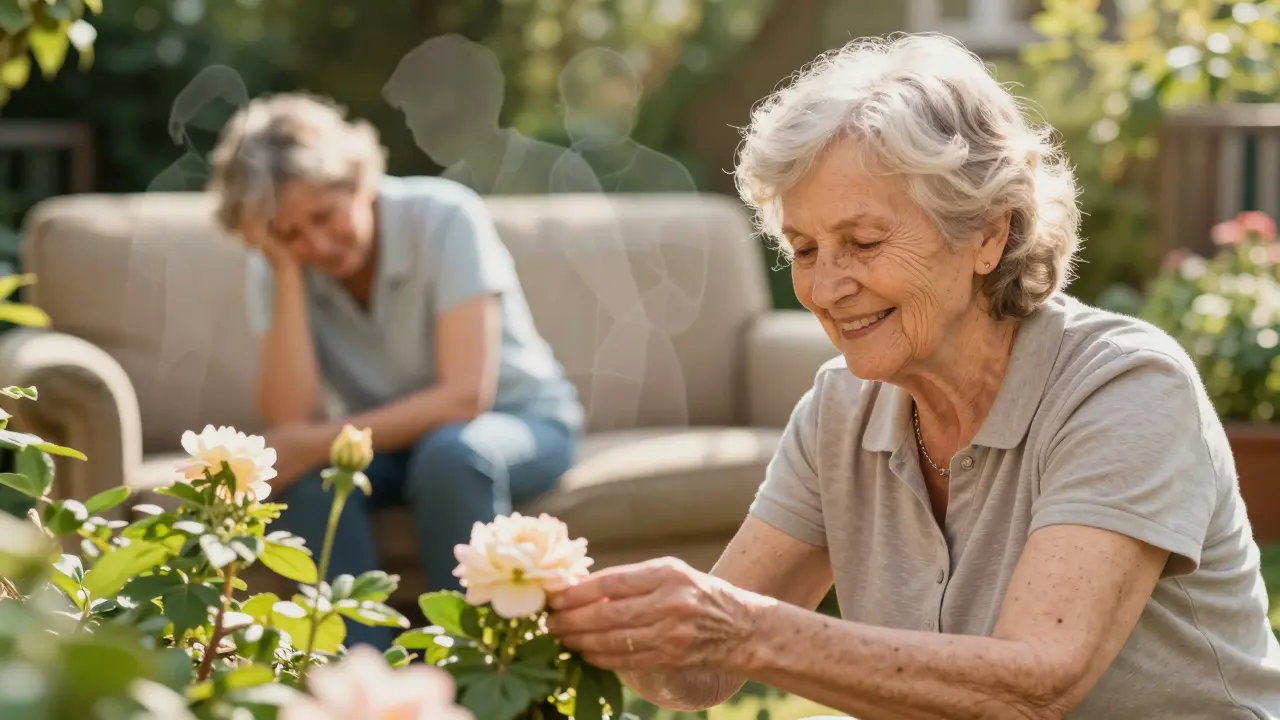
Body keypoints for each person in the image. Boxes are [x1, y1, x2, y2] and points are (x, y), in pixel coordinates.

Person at [546, 34, 1280, 719]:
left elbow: (1039, 683)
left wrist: (746, 631)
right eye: (803, 249)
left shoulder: (1124, 387)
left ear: (988, 233)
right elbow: (700, 674)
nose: (827, 288)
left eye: (863, 242)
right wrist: (580, 616)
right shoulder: (841, 408)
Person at [206, 92, 584, 650]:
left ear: (357, 182)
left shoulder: (445, 218)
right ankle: (361, 683)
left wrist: (309, 444)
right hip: (391, 443)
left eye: (322, 217)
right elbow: (292, 416)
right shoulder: (280, 263)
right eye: (287, 235)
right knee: (311, 481)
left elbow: (462, 399)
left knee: (450, 455)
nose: (314, 244)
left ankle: (478, 670)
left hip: (518, 421)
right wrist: (284, 273)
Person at [382, 33, 599, 196]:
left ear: (465, 103)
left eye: (417, 110)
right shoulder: (450, 188)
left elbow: (602, 254)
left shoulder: (563, 172)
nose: (412, 125)